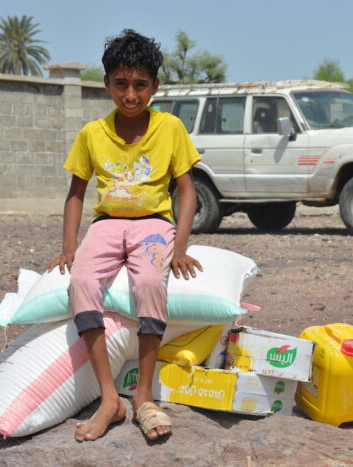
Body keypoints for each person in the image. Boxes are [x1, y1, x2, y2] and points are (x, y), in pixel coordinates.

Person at [48, 29, 202, 442]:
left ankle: (145, 397)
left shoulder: (170, 128)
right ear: (107, 84)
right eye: (121, 84)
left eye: (140, 85)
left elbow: (187, 191)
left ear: (154, 86)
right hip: (107, 223)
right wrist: (68, 247)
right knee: (80, 283)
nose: (130, 95)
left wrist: (181, 247)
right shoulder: (92, 133)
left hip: (153, 223)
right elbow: (76, 193)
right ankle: (110, 398)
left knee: (150, 281)